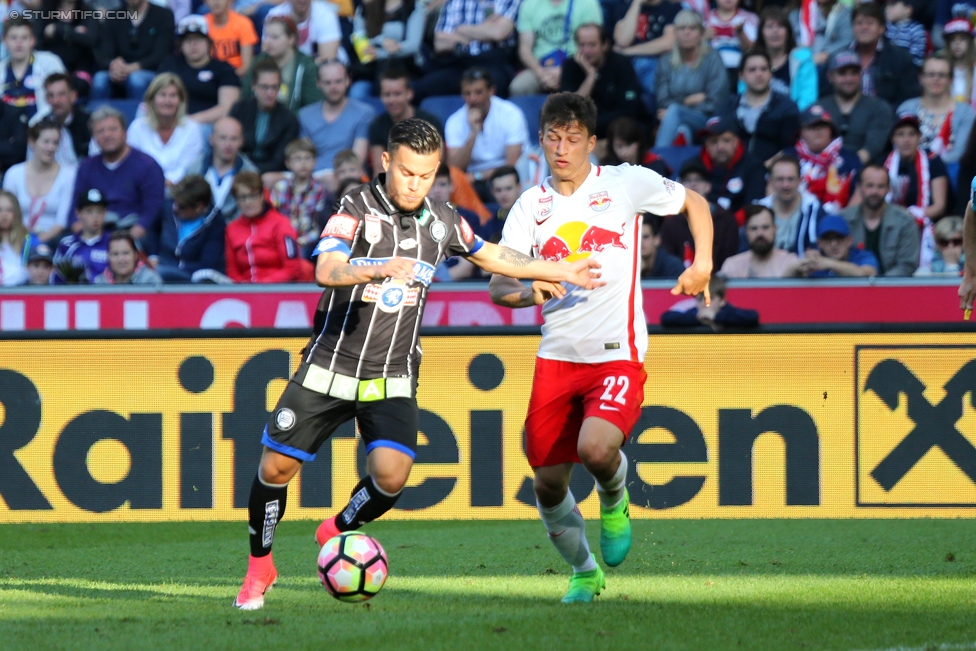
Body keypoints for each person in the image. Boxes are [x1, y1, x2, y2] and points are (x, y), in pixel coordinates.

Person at [233, 116, 605, 610]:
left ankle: (337, 529)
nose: (415, 184)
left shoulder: (443, 220)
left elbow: (492, 255)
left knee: (391, 476)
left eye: (426, 175)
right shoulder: (353, 207)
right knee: (275, 468)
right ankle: (260, 568)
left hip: (392, 374)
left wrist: (560, 268)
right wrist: (376, 265)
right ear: (386, 162)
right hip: (330, 365)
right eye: (407, 172)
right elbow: (325, 269)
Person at [488, 93, 713, 603]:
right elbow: (499, 287)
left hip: (616, 351)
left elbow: (694, 202)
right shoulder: (530, 206)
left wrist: (702, 262)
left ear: (592, 141)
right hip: (556, 357)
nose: (561, 148)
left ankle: (615, 497)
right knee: (546, 483)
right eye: (552, 137)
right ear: (541, 139)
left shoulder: (623, 183)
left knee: (595, 449)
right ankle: (585, 571)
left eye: (573, 138)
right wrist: (531, 290)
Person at [72, 106, 165, 240]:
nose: (107, 135)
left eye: (113, 129)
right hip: (94, 231)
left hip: (134, 233)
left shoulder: (147, 165)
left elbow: (153, 209)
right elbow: (75, 209)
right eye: (100, 131)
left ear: (125, 133)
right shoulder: (86, 167)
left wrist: (128, 239)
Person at [446, 68, 528, 200]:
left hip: (507, 179)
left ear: (491, 91)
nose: (473, 99)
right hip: (471, 182)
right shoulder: (454, 121)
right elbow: (455, 168)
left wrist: (476, 176)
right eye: (467, 93)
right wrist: (473, 133)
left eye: (478, 92)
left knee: (504, 188)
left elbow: (511, 165)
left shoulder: (511, 114)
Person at [414, 0, 519, 102]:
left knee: (494, 87)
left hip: (494, 62)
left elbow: (498, 33)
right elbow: (440, 43)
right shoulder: (455, 1)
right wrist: (485, 31)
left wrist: (461, 29)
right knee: (417, 90)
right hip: (459, 62)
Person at [653, 10, 729, 147]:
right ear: (675, 33)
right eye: (682, 28)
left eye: (692, 28)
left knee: (675, 112)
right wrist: (688, 101)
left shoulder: (713, 58)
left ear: (701, 33)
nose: (686, 32)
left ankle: (656, 159)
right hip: (677, 119)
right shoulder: (665, 61)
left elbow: (716, 101)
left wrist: (680, 109)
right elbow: (662, 101)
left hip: (707, 119)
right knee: (683, 130)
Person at [559, 24, 645, 140]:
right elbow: (570, 111)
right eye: (582, 45)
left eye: (592, 45)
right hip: (583, 133)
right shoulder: (570, 66)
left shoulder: (621, 64)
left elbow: (628, 110)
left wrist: (588, 125)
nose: (586, 51)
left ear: (605, 45)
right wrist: (590, 76)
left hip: (616, 131)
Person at [298, 60, 375, 189]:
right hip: (313, 176)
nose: (333, 87)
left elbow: (356, 160)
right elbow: (305, 156)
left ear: (348, 81)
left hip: (347, 175)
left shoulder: (364, 113)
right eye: (327, 82)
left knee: (331, 180)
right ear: (318, 83)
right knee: (271, 179)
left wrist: (329, 176)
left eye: (338, 81)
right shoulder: (305, 115)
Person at [2, 119, 76, 245]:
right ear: (32, 142)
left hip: (52, 241)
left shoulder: (68, 175)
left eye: (55, 143)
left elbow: (61, 222)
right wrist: (22, 240)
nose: (51, 148)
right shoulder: (13, 173)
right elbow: (6, 213)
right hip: (16, 238)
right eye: (46, 142)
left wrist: (37, 242)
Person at [658, 156, 740, 271]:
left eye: (699, 179)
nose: (693, 184)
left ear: (708, 186)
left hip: (718, 284)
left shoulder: (726, 219)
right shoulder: (671, 223)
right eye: (687, 180)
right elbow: (668, 260)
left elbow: (730, 259)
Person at [159, 16, 242, 127]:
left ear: (208, 42)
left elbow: (227, 107)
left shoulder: (223, 69)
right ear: (180, 45)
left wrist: (192, 121)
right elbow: (156, 96)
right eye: (188, 40)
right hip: (171, 122)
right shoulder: (170, 65)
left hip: (208, 125)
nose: (193, 44)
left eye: (198, 39)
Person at [225, 170, 305, 283]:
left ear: (262, 195)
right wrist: (242, 287)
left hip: (276, 291)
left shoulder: (281, 223)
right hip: (243, 294)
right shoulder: (231, 228)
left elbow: (292, 268)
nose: (248, 202)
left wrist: (262, 287)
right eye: (242, 197)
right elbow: (231, 270)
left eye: (253, 196)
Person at [817, 50, 895, 165]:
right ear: (830, 76)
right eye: (842, 73)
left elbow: (871, 150)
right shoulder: (818, 108)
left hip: (864, 174)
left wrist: (843, 169)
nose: (849, 79)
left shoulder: (879, 108)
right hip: (820, 169)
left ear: (861, 75)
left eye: (854, 73)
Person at [126, 73, 205, 187]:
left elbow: (188, 167)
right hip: (143, 187)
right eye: (163, 95)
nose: (168, 101)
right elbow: (132, 163)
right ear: (152, 99)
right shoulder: (138, 127)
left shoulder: (192, 128)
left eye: (173, 95)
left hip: (181, 190)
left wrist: (168, 182)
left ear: (180, 101)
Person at [510, 0, 603, 96]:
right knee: (519, 87)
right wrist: (542, 74)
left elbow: (592, 44)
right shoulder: (529, 4)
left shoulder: (587, 3)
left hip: (577, 66)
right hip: (540, 67)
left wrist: (564, 71)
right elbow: (525, 49)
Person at [723, 49, 800, 164]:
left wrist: (765, 167)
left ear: (771, 73)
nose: (758, 74)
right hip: (733, 172)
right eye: (752, 70)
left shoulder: (787, 108)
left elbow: (792, 148)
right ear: (741, 75)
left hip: (774, 173)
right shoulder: (730, 105)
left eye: (763, 69)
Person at [842, 163, 920, 276]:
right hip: (850, 286)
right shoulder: (843, 219)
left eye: (880, 186)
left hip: (893, 288)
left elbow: (907, 265)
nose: (874, 192)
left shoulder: (905, 221)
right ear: (858, 187)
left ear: (888, 188)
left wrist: (880, 285)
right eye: (869, 185)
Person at [897, 55, 976, 167]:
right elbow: (900, 145)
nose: (936, 79)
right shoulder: (907, 108)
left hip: (951, 173)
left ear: (950, 79)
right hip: (912, 170)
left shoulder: (965, 112)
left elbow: (960, 152)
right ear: (921, 77)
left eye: (942, 75)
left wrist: (934, 169)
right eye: (931, 74)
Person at [783, 103, 862, 213]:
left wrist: (845, 219)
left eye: (823, 126)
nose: (818, 131)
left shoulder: (850, 159)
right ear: (801, 132)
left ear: (831, 131)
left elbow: (860, 193)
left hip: (839, 221)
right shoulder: (787, 157)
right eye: (812, 127)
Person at [230, 60, 300, 178]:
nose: (269, 93)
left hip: (271, 173)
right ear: (253, 86)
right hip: (239, 168)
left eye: (274, 87)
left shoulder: (288, 119)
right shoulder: (240, 109)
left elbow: (280, 160)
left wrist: (252, 171)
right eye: (264, 87)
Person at [92, 0, 175, 101]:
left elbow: (160, 56)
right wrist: (114, 64)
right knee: (99, 79)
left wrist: (133, 67)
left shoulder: (164, 15)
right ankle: (97, 116)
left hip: (151, 71)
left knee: (136, 79)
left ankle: (142, 114)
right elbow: (103, 54)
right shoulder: (113, 16)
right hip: (118, 72)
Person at [367, 68, 443, 175]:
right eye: (387, 95)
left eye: (397, 94)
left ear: (409, 94)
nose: (392, 100)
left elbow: (437, 164)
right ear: (381, 96)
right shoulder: (377, 126)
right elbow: (380, 170)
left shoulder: (429, 122)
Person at [153, 175, 226, 283]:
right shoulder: (169, 207)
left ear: (199, 207)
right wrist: (153, 256)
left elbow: (207, 263)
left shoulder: (215, 223)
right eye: (175, 202)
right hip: (161, 268)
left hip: (194, 279)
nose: (176, 208)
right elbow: (152, 230)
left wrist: (174, 269)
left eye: (181, 206)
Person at [242, 16, 323, 113]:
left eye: (275, 37)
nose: (268, 42)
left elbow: (313, 106)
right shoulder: (258, 62)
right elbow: (245, 98)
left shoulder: (307, 66)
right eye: (266, 36)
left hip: (294, 123)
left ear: (291, 39)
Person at [348, 0, 427, 98]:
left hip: (403, 68)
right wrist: (382, 41)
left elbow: (413, 45)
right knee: (357, 91)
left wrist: (380, 53)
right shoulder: (365, 8)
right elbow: (358, 38)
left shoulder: (413, 7)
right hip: (370, 68)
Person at [849, 2, 920, 110]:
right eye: (859, 23)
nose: (864, 27)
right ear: (852, 28)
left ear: (882, 28)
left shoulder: (901, 59)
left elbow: (908, 99)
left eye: (870, 23)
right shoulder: (840, 57)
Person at [187, 117, 259, 223]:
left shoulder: (250, 173)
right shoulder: (194, 168)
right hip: (196, 230)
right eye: (222, 138)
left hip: (233, 234)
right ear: (212, 139)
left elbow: (248, 214)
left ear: (241, 141)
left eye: (233, 139)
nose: (228, 144)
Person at [880, 113, 949, 223]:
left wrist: (908, 216)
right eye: (900, 134)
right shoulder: (882, 163)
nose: (906, 140)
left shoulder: (933, 160)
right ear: (893, 138)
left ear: (919, 137)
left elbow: (939, 206)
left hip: (927, 224)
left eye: (911, 134)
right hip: (889, 221)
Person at [697, 114, 766, 221]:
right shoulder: (693, 166)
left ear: (736, 142)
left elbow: (753, 207)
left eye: (726, 140)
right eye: (714, 141)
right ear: (706, 145)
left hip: (738, 228)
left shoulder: (753, 166)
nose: (720, 147)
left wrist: (727, 226)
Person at [754, 156, 827, 257]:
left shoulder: (814, 209)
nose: (785, 185)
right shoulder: (759, 209)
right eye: (780, 179)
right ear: (771, 181)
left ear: (800, 180)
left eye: (790, 179)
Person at [613, 0, 681, 105]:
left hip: (658, 62)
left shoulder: (671, 8)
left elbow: (668, 43)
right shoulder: (625, 7)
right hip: (626, 65)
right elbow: (622, 41)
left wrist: (628, 51)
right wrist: (636, 3)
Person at [270, 139, 328, 258]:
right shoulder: (280, 187)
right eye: (297, 159)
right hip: (281, 239)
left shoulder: (320, 190)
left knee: (301, 254)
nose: (303, 163)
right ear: (288, 163)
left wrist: (300, 242)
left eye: (308, 158)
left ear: (315, 161)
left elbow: (318, 226)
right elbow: (272, 218)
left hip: (308, 242)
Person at [0, 18, 66, 119]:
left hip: (44, 128)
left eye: (24, 38)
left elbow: (62, 101)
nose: (19, 43)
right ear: (4, 40)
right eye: (13, 38)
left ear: (33, 40)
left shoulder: (50, 63)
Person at [754, 6, 817, 111]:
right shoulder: (752, 61)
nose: (775, 31)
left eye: (780, 27)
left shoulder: (803, 60)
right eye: (769, 27)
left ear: (788, 32)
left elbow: (808, 99)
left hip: (794, 119)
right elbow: (745, 96)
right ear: (761, 33)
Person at [32, 0, 98, 96]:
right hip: (49, 71)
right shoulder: (44, 11)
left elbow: (91, 40)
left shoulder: (88, 11)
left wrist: (60, 30)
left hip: (78, 71)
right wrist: (75, 34)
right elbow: (36, 44)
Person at [720, 204, 801, 278]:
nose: (760, 234)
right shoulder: (732, 266)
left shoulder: (789, 262)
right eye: (754, 228)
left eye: (765, 227)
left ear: (775, 229)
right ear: (746, 231)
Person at [789, 214, 879, 277]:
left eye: (839, 238)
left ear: (849, 241)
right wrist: (800, 266)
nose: (834, 244)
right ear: (819, 244)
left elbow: (866, 274)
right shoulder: (816, 261)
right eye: (828, 239)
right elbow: (784, 281)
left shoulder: (863, 256)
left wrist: (828, 263)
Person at [29, 73, 91, 166]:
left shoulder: (89, 122)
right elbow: (32, 164)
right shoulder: (39, 126)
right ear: (46, 99)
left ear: (73, 96)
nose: (56, 100)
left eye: (61, 94)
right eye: (51, 95)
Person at [53, 188, 111, 283]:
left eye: (99, 211)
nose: (95, 216)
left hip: (108, 295)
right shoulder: (67, 245)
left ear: (105, 213)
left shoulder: (114, 243)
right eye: (89, 211)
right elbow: (56, 278)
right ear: (78, 213)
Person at [660, 275, 759, 329]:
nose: (703, 303)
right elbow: (666, 318)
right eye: (699, 299)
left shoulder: (729, 312)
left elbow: (753, 317)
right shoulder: (695, 313)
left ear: (721, 300)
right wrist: (698, 319)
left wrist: (716, 317)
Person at [265, 0, 343, 64]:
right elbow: (267, 55)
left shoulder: (326, 15)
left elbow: (328, 61)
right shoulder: (274, 15)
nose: (302, 1)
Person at [706, 0, 758, 90]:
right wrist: (702, 38)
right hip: (710, 72)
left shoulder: (750, 18)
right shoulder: (706, 17)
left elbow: (753, 51)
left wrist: (741, 34)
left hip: (739, 73)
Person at [600, 116, 671, 177]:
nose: (624, 152)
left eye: (629, 145)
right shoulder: (607, 168)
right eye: (619, 146)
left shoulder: (655, 165)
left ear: (638, 143)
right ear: (611, 145)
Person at [790, 0, 853, 67]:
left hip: (828, 65)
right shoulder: (794, 13)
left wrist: (827, 53)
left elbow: (846, 40)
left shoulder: (842, 11)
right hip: (797, 64)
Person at [205, 0, 259, 76]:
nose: (216, 1)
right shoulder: (202, 24)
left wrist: (228, 79)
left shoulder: (243, 23)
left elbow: (246, 66)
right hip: (210, 77)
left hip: (237, 76)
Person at [93, 230, 164, 286]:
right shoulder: (100, 282)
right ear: (108, 257)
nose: (120, 259)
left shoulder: (150, 280)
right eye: (115, 254)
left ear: (135, 255)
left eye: (126, 253)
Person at [0, 190, 39, 286]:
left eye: (9, 210)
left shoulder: (30, 241)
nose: (4, 214)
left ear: (16, 213)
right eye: (0, 210)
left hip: (22, 293)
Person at [943, 18, 976, 109]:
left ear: (970, 42)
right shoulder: (942, 71)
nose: (957, 43)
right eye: (952, 40)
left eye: (962, 38)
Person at [885, 0, 926, 67]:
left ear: (908, 10)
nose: (887, 9)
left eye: (892, 5)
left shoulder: (916, 29)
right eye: (887, 5)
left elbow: (916, 57)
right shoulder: (886, 27)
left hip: (907, 70)